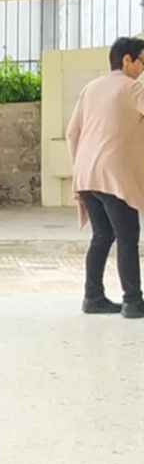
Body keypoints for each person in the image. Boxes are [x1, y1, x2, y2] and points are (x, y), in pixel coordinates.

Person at [67, 36, 144, 319]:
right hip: (113, 176)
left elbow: (71, 132)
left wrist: (80, 165)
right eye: (142, 61)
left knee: (102, 235)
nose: (142, 69)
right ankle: (133, 302)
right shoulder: (133, 88)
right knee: (127, 236)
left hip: (86, 174)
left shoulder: (91, 88)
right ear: (127, 60)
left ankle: (93, 297)